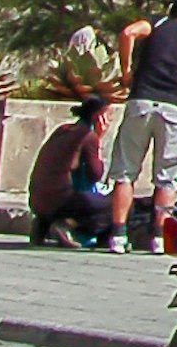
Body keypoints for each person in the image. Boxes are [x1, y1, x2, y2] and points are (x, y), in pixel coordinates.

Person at [107, 0, 177, 253]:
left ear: (171, 10)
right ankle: (158, 237)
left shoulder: (156, 25)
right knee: (167, 178)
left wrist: (126, 72)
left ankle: (118, 235)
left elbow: (128, 33)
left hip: (141, 102)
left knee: (125, 172)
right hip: (173, 109)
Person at [28, 98, 115, 247]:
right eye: (110, 116)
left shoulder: (63, 129)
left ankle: (43, 225)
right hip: (61, 201)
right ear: (99, 117)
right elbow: (95, 174)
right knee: (117, 203)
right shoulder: (88, 136)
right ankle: (68, 225)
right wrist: (99, 139)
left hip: (36, 200)